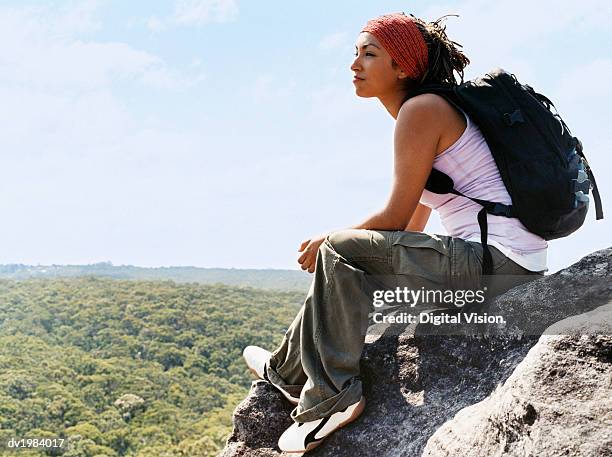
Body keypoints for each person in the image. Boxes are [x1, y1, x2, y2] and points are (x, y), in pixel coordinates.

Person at [243, 12, 546, 453]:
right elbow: (409, 226)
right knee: (348, 259)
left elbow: (394, 214)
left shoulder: (422, 111)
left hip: (496, 262)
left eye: (369, 54)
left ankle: (334, 399)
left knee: (341, 249)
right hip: (503, 263)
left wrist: (329, 237)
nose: (354, 65)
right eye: (355, 54)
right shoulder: (432, 111)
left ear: (402, 67)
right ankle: (286, 372)